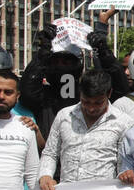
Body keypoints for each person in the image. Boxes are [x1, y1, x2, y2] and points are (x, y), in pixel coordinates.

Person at [22, 8, 127, 138]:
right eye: (56, 62)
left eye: (67, 62)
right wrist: (43, 51)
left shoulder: (90, 94)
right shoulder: (43, 97)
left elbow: (119, 86)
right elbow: (27, 90)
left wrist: (103, 49)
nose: (61, 67)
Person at [37, 70, 134, 190]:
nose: (91, 108)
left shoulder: (123, 122)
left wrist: (125, 174)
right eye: (86, 101)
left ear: (109, 93)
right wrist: (45, 175)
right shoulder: (64, 116)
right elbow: (50, 153)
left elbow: (124, 164)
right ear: (80, 93)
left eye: (98, 103)